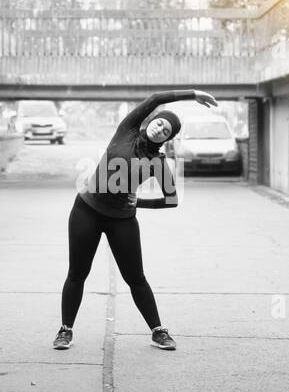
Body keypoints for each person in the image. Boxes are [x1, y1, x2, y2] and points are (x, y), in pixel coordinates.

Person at [54, 89, 218, 351]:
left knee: (136, 278)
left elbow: (171, 199)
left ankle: (158, 331)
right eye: (160, 123)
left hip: (122, 219)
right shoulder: (127, 130)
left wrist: (138, 202)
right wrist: (193, 94)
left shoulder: (157, 162)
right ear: (152, 121)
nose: (160, 129)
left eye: (166, 131)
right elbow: (155, 99)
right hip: (87, 210)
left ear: (168, 138)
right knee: (77, 273)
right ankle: (65, 330)